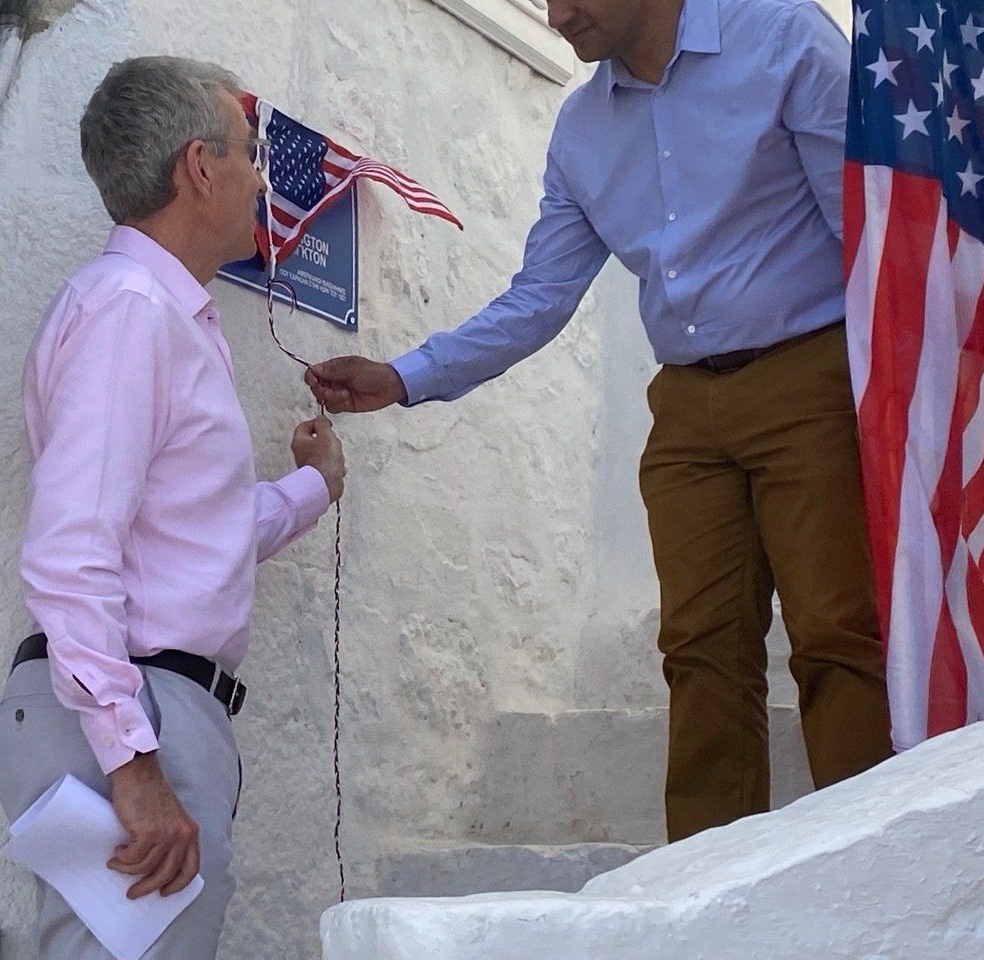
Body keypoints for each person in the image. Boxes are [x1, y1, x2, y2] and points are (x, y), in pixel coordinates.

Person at [305, 0, 892, 842]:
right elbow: (540, 298)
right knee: (699, 654)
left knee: (837, 636)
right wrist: (404, 376)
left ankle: (871, 865)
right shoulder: (581, 130)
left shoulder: (784, 37)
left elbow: (870, 231)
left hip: (813, 373)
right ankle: (705, 890)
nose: (554, 14)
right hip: (686, 406)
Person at [0, 56, 345, 959]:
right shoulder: (132, 313)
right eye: (249, 153)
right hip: (131, 710)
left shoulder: (151, 313)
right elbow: (71, 553)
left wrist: (314, 488)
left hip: (142, 707)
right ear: (199, 167)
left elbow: (192, 536)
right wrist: (134, 764)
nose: (262, 178)